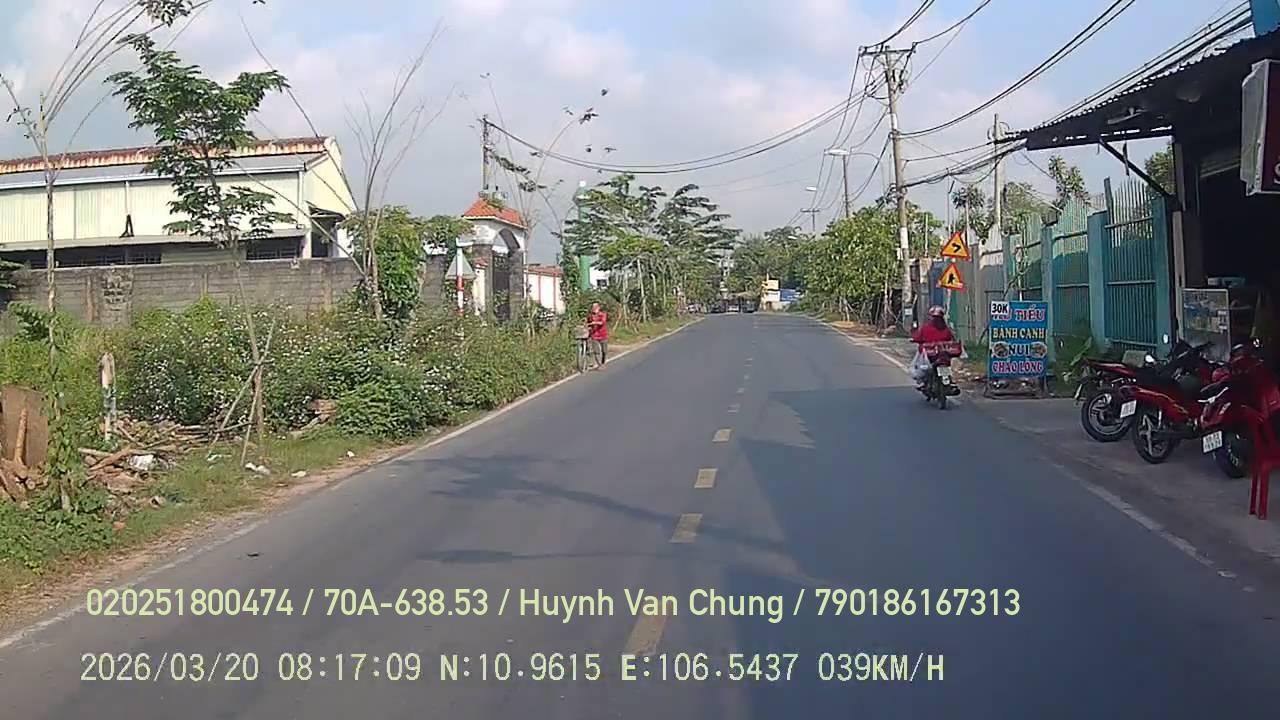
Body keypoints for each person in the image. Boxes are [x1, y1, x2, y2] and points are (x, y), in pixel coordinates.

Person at [910, 305, 956, 386]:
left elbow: (918, 337)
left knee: (922, 366)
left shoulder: (926, 328)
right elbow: (952, 339)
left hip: (934, 356)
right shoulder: (946, 329)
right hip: (941, 356)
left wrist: (915, 339)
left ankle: (924, 381)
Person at [587, 302, 609, 369]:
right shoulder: (590, 315)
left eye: (595, 307)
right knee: (596, 351)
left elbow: (602, 322)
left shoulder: (603, 314)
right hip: (594, 335)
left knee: (604, 351)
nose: (594, 308)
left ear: (598, 308)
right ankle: (599, 364)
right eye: (593, 307)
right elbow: (588, 322)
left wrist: (595, 323)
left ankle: (603, 362)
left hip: (603, 334)